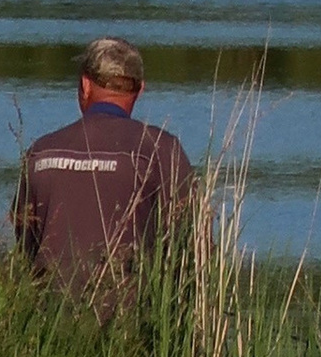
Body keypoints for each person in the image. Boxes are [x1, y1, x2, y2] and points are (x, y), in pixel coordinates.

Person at [14, 36, 195, 304]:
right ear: (140, 90)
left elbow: (24, 241)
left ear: (85, 85)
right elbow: (190, 245)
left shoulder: (42, 151)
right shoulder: (160, 149)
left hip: (48, 320)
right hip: (127, 325)